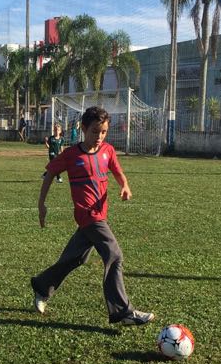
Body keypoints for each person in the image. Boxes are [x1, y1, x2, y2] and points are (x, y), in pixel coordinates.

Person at [30, 106, 153, 326]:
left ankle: (42, 286)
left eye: (104, 132)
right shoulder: (71, 155)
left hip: (100, 215)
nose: (99, 137)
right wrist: (41, 204)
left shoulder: (108, 151)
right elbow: (50, 173)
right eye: (95, 131)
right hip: (89, 215)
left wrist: (125, 186)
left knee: (75, 258)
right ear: (84, 129)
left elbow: (117, 171)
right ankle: (123, 312)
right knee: (114, 255)